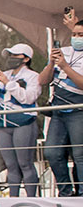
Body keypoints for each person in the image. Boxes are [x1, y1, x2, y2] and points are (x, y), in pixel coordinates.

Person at [39, 13, 83, 196]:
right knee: (52, 153)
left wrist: (65, 67)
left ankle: (81, 193)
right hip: (58, 111)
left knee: (80, 155)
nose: (77, 38)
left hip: (78, 111)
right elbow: (42, 81)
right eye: (75, 34)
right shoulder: (64, 51)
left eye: (81, 35)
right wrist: (51, 63)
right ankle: (66, 192)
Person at [0, 44, 43, 197]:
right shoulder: (4, 74)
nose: (11, 58)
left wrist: (8, 83)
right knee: (11, 166)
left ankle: (32, 199)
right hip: (2, 123)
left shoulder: (33, 76)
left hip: (23, 122)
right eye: (10, 55)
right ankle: (13, 199)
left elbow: (28, 98)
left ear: (26, 58)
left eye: (16, 55)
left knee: (25, 163)